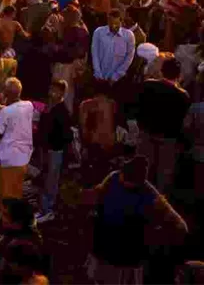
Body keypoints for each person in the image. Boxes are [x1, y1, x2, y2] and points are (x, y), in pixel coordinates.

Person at [85, 156, 187, 284]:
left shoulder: (149, 194)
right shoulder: (113, 178)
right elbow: (96, 195)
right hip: (104, 243)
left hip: (127, 252)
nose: (122, 178)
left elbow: (180, 225)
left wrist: (158, 235)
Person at [135, 56, 190, 194]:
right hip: (168, 140)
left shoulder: (147, 85)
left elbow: (138, 109)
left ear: (162, 71)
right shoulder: (183, 95)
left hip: (146, 135)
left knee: (143, 174)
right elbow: (183, 123)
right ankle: (159, 205)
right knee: (163, 179)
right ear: (178, 74)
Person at [0, 78, 34, 216]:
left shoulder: (6, 112)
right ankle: (0, 214)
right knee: (6, 189)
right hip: (23, 156)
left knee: (9, 197)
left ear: (6, 94)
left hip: (9, 158)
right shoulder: (29, 106)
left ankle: (8, 220)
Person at [35, 79, 72, 224]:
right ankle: (43, 208)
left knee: (51, 180)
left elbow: (66, 135)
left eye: (56, 90)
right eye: (51, 89)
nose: (52, 93)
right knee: (45, 178)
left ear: (62, 93)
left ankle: (49, 210)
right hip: (46, 149)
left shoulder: (62, 111)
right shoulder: (50, 108)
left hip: (55, 150)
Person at [91, 8, 135, 88]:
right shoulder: (99, 32)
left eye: (116, 23)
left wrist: (116, 76)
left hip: (118, 80)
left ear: (121, 22)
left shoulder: (128, 35)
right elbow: (95, 54)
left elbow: (129, 57)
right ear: (108, 21)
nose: (113, 26)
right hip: (100, 77)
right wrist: (98, 74)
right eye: (111, 23)